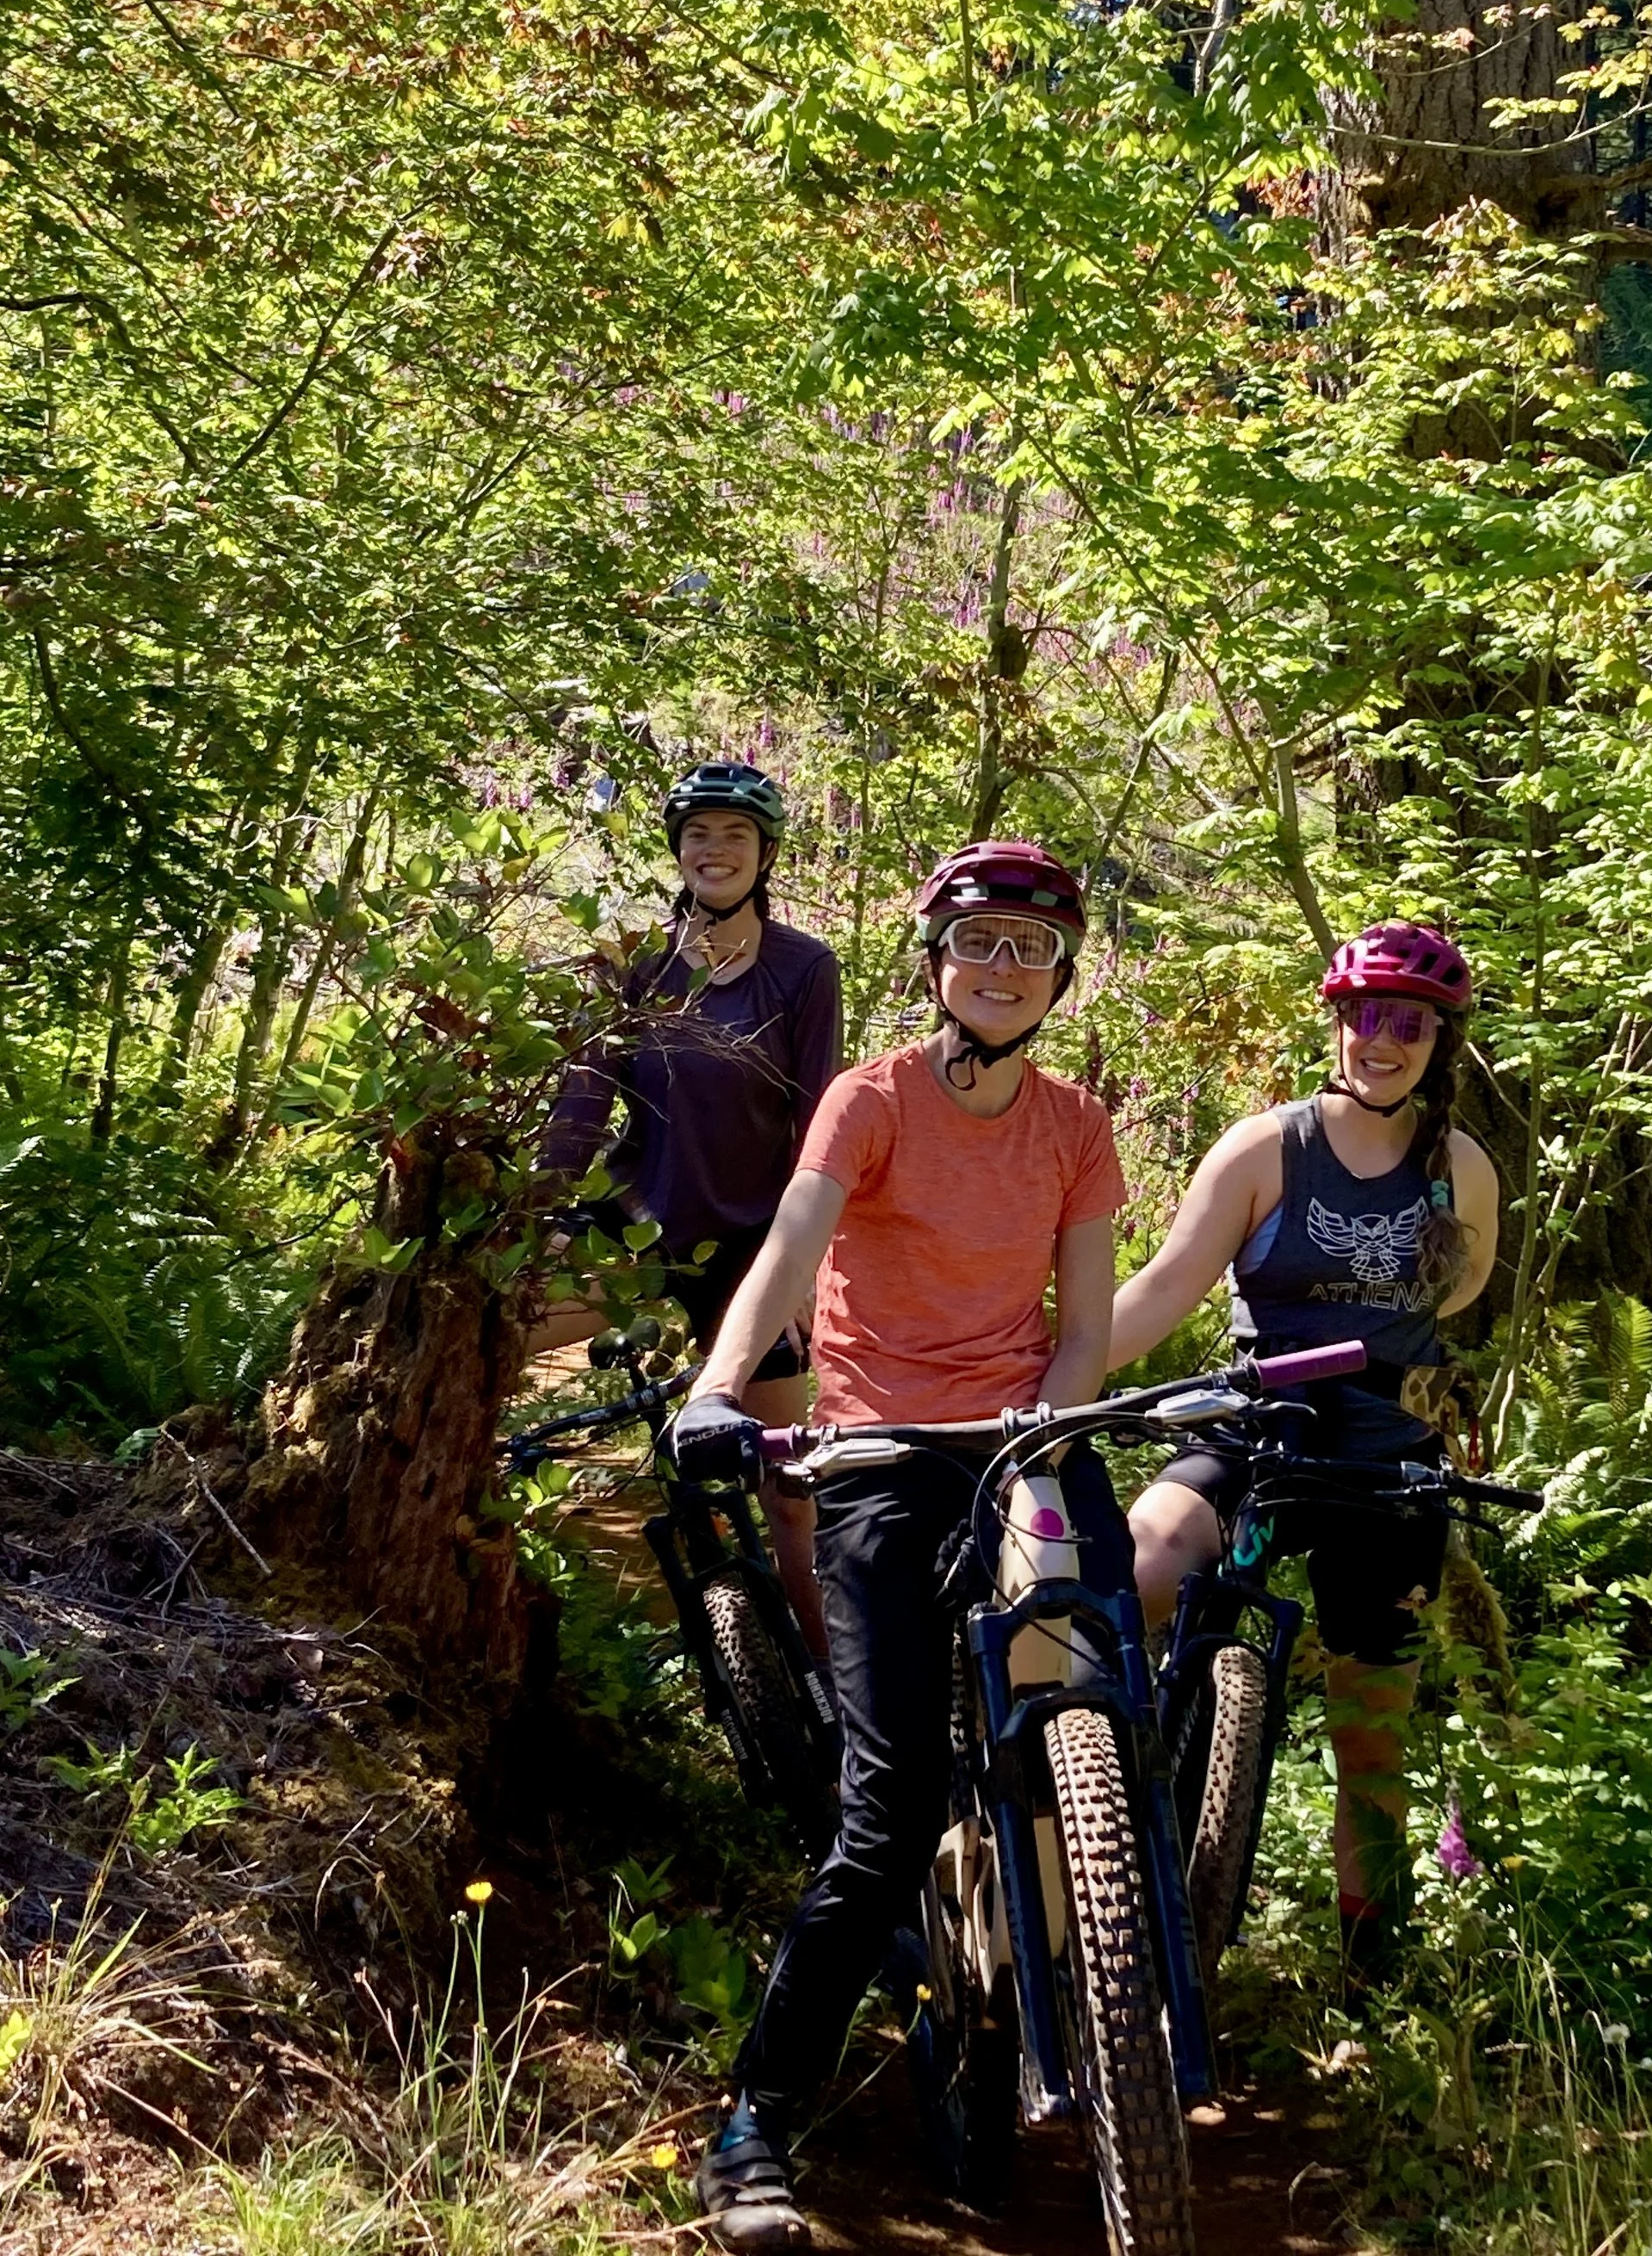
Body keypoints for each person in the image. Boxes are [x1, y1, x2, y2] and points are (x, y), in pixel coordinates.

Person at [669, 840, 1129, 2254]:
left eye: (1031, 949)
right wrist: (716, 1382)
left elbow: (1090, 1323)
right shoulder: (868, 1098)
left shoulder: (1076, 1125)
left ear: (1059, 975)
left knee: (1110, 1715)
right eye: (979, 943)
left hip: (1022, 1452)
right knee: (885, 1814)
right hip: (881, 1461)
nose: (1003, 968)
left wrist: (1043, 1436)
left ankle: (1114, 1972)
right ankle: (755, 2120)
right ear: (934, 960)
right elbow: (790, 1254)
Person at [1107, 922, 1500, 1978]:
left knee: (1371, 1741)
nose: (1382, 1041)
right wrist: (1041, 1375)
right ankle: (1086, 1812)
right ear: (1334, 1020)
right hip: (1253, 1426)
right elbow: (1163, 1289)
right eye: (1364, 1016)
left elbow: (1454, 1297)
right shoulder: (1263, 1150)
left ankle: (1372, 1976)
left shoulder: (1458, 1167)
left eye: (1406, 1025)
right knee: (1139, 1567)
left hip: (1386, 1459)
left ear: (1436, 1042)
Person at [537, 760, 841, 1653]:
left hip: (751, 1251)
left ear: (766, 854)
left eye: (735, 835)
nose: (715, 851)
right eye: (698, 835)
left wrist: (803, 1271)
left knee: (790, 1487)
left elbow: (817, 1123)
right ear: (677, 850)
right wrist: (544, 1216)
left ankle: (832, 1681)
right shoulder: (636, 964)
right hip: (634, 1229)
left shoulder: (802, 970)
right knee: (475, 1346)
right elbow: (582, 1099)